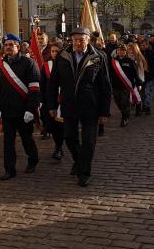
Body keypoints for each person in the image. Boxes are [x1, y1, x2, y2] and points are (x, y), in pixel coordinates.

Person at [45, 27, 111, 187]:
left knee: (89, 141)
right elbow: (53, 83)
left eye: (81, 39)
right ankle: (79, 161)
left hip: (91, 106)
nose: (78, 42)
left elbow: (105, 86)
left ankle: (84, 172)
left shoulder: (98, 57)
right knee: (69, 137)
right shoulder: (62, 56)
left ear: (88, 40)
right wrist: (52, 105)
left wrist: (104, 111)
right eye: (75, 39)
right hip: (69, 104)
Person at [0, 33, 40, 180]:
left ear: (18, 47)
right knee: (8, 141)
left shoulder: (29, 63)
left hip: (23, 110)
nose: (8, 47)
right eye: (6, 45)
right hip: (7, 111)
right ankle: (9, 169)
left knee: (27, 138)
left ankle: (33, 159)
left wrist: (31, 109)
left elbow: (34, 88)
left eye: (11, 45)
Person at [40, 40, 65, 159]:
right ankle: (58, 144)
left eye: (57, 51)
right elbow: (42, 84)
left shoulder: (67, 64)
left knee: (61, 126)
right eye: (52, 51)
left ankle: (59, 147)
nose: (54, 53)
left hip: (64, 100)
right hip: (50, 101)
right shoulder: (46, 65)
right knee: (53, 126)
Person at [109, 44, 139, 127]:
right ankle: (124, 113)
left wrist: (138, 83)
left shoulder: (130, 61)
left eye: (122, 50)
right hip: (115, 86)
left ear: (125, 52)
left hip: (126, 86)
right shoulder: (113, 62)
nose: (120, 52)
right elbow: (109, 73)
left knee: (124, 102)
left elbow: (135, 73)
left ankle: (125, 117)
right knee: (117, 101)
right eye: (118, 50)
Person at [125, 42, 148, 117]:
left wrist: (140, 82)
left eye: (131, 48)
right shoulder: (125, 57)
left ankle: (138, 110)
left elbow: (141, 71)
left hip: (136, 80)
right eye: (128, 48)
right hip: (127, 80)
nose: (129, 50)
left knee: (137, 95)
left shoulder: (138, 58)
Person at [138, 38, 154, 115]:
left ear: (148, 45)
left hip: (149, 76)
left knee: (147, 92)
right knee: (142, 93)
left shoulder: (152, 53)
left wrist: (152, 74)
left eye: (144, 45)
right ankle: (143, 105)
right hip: (141, 77)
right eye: (141, 45)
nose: (143, 46)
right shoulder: (139, 54)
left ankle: (147, 107)